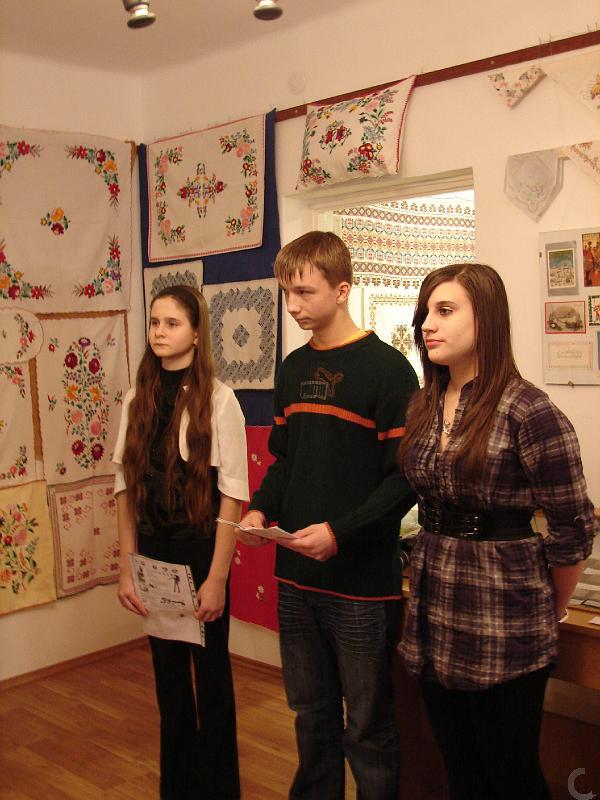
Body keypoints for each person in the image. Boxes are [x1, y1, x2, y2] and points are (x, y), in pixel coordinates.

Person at [397, 263, 597, 800]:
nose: (427, 325)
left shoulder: (528, 410)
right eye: (425, 313)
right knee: (458, 766)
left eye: (445, 311)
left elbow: (574, 528)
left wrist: (547, 607)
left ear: (486, 318)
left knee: (509, 772)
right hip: (437, 602)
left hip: (505, 610)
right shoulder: (423, 404)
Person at [238, 231, 419, 800]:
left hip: (361, 587)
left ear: (342, 290)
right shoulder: (293, 369)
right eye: (286, 293)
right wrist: (260, 508)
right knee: (311, 718)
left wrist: (341, 534)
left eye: (304, 292)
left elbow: (405, 480)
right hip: (296, 580)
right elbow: (286, 460)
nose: (292, 306)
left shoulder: (390, 371)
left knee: (367, 728)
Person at [113, 285, 249, 800]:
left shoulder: (219, 399)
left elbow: (232, 496)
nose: (159, 332)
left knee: (211, 681)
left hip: (200, 552)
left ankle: (218, 790)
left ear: (195, 333)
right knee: (168, 680)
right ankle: (179, 788)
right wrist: (127, 568)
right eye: (154, 322)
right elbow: (125, 490)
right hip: (153, 554)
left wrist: (217, 579)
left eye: (172, 323)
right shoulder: (137, 398)